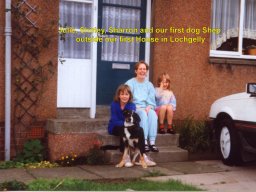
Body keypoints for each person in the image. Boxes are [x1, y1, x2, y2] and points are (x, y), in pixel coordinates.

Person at [108, 84, 156, 167]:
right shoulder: (114, 104)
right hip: (115, 127)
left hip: (129, 128)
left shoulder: (132, 105)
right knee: (122, 128)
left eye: (126, 94)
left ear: (130, 95)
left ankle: (142, 155)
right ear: (118, 95)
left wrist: (129, 125)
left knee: (140, 130)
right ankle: (126, 157)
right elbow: (115, 120)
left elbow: (132, 120)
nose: (124, 96)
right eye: (122, 94)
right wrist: (126, 124)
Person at [125, 61, 159, 152]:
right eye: (140, 69)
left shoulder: (149, 85)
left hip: (146, 107)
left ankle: (152, 142)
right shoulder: (130, 83)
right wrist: (136, 108)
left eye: (144, 69)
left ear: (146, 71)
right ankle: (144, 141)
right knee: (143, 114)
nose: (142, 71)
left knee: (152, 114)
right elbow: (127, 99)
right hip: (135, 108)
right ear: (136, 71)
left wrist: (149, 107)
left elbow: (151, 101)